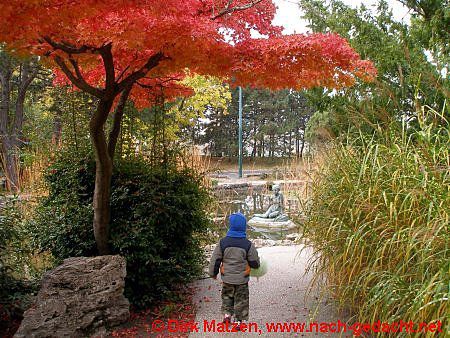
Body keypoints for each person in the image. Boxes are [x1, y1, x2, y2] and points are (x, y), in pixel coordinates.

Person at [208, 212, 260, 328]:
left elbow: (215, 259)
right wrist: (254, 266)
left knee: (227, 297)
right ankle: (238, 322)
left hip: (227, 278)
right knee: (241, 300)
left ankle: (227, 316)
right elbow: (254, 262)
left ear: (230, 226)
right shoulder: (247, 244)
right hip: (242, 280)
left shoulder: (223, 242)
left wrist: (213, 273)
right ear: (244, 227)